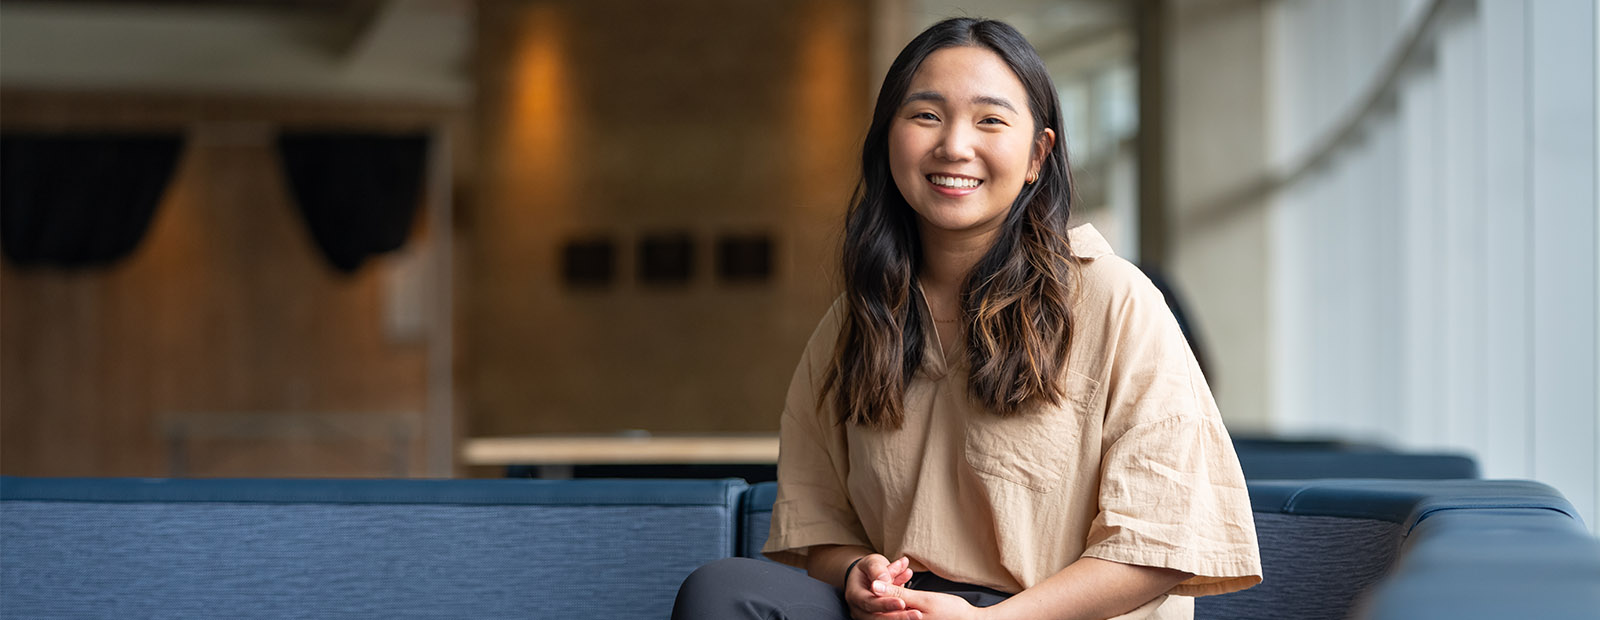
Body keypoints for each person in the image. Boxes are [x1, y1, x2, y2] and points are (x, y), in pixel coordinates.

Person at [673, 17, 1261, 620]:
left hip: (1043, 614)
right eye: (926, 115)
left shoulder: (1114, 298)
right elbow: (819, 526)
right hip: (909, 609)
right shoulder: (860, 318)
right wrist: (858, 571)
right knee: (722, 592)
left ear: (1038, 154)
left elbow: (1159, 547)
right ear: (888, 140)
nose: (954, 145)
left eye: (990, 120)